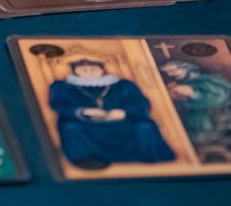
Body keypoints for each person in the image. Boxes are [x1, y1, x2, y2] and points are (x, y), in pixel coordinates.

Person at [46, 56, 175, 169]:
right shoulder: (63, 87)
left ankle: (146, 157)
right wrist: (84, 111)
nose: (89, 73)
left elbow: (141, 103)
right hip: (87, 123)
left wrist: (124, 112)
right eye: (83, 70)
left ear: (102, 71)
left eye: (93, 69)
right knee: (71, 127)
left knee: (144, 125)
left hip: (121, 121)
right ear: (75, 72)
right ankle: (87, 160)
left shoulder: (124, 85)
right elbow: (59, 105)